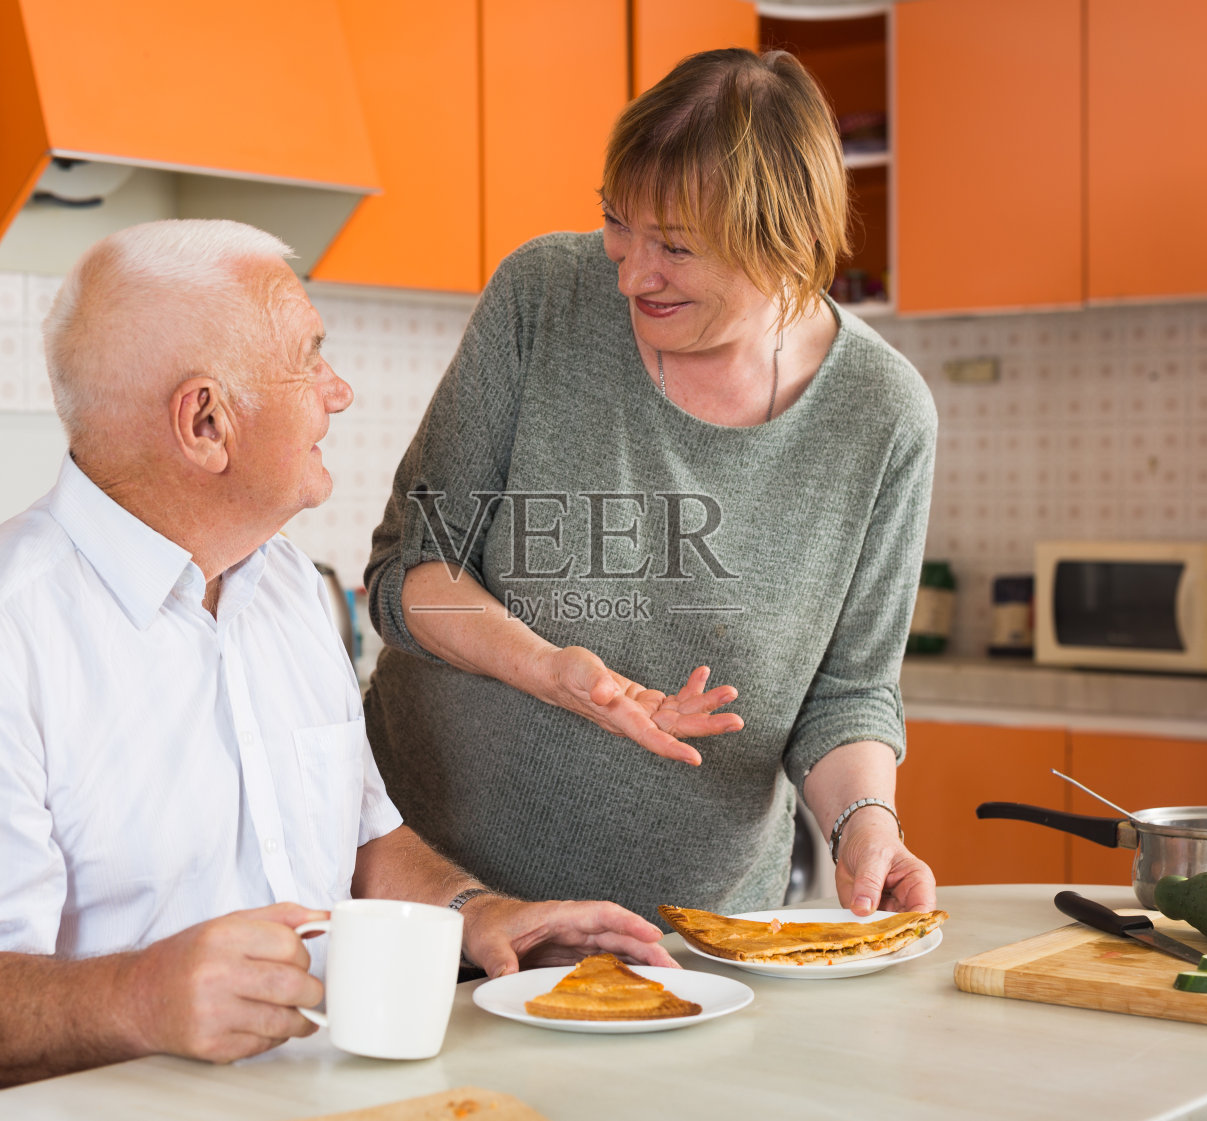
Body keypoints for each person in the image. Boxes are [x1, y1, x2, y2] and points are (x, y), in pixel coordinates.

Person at [0, 220, 671, 1103]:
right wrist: (141, 997)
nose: (339, 391)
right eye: (310, 360)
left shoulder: (287, 586)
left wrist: (477, 914)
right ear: (206, 422)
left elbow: (364, 841)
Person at [362, 49, 938, 924]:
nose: (632, 273)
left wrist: (865, 825)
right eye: (617, 222)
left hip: (694, 936)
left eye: (674, 247)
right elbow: (408, 574)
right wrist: (548, 670)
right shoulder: (542, 298)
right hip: (436, 903)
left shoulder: (883, 413)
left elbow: (849, 693)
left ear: (782, 245)